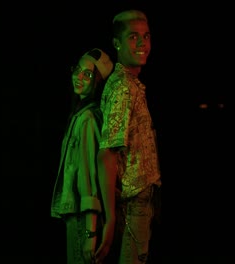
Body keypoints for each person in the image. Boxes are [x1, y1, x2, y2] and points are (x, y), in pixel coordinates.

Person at [97, 9, 162, 264]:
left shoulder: (132, 84)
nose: (142, 44)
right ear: (117, 43)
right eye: (133, 37)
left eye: (146, 37)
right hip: (132, 202)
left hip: (140, 201)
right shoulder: (123, 87)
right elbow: (107, 154)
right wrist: (111, 218)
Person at [51, 48, 114, 264]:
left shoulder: (88, 118)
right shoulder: (81, 115)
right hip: (76, 217)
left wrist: (90, 233)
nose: (79, 77)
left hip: (83, 220)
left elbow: (90, 178)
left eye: (87, 74)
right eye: (77, 70)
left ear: (97, 82)